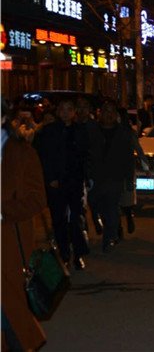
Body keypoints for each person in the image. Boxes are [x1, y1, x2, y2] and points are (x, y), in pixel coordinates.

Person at [1, 97, 48, 351]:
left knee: (10, 314)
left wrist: (3, 211)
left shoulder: (22, 154)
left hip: (8, 246)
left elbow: (38, 199)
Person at [33, 99, 90, 270]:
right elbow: (43, 156)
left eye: (69, 109)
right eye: (62, 109)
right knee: (59, 220)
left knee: (75, 219)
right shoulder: (49, 131)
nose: (66, 112)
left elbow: (85, 156)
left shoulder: (79, 131)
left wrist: (86, 177)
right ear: (58, 111)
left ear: (74, 112)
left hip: (74, 182)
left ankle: (78, 254)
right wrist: (51, 177)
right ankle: (64, 254)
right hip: (56, 183)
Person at [87, 100, 137, 253]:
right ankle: (104, 227)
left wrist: (129, 178)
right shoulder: (92, 131)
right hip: (96, 176)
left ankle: (109, 237)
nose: (108, 115)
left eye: (111, 111)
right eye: (106, 111)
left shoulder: (123, 133)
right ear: (100, 113)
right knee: (96, 204)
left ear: (116, 115)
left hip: (115, 177)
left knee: (112, 207)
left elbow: (128, 157)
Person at [117, 107, 149, 237]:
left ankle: (129, 215)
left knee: (126, 198)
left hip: (126, 171)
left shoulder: (128, 132)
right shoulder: (104, 131)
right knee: (113, 201)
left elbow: (139, 150)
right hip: (110, 171)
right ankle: (118, 228)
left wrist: (146, 168)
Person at [75, 96, 104, 236]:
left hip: (91, 167)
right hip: (76, 167)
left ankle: (95, 218)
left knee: (93, 198)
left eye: (84, 107)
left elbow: (99, 148)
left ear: (89, 109)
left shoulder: (94, 126)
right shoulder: (73, 125)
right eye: (79, 107)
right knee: (79, 199)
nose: (82, 110)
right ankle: (84, 224)